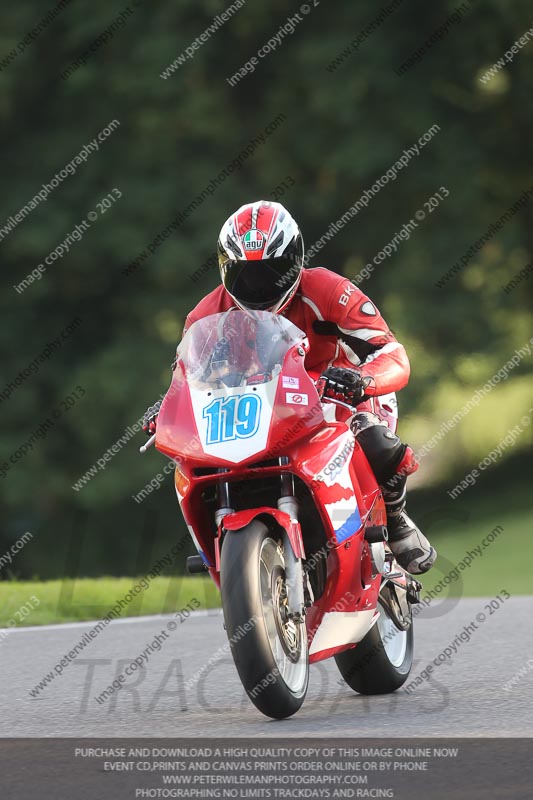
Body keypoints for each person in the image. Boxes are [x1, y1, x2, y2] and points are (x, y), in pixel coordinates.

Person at [143, 200, 436, 574]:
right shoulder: (204, 315)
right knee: (198, 464)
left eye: (272, 272)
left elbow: (390, 351)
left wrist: (363, 379)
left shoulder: (330, 290)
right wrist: (167, 409)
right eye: (245, 275)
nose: (259, 286)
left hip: (339, 392)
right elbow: (186, 379)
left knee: (373, 438)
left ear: (296, 260)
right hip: (266, 408)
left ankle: (396, 520)